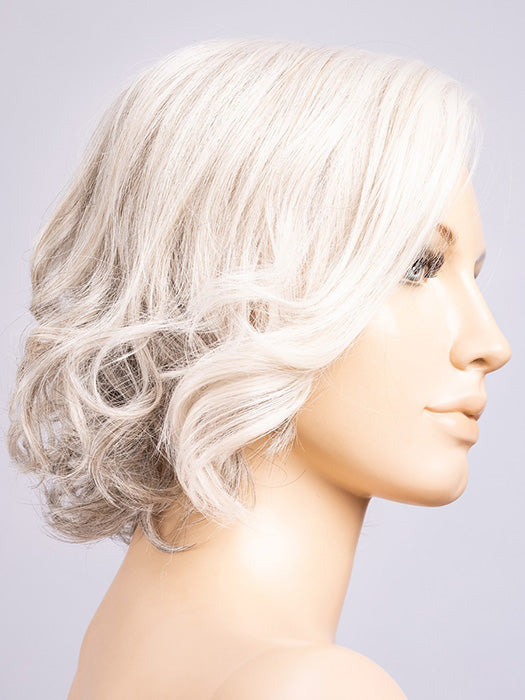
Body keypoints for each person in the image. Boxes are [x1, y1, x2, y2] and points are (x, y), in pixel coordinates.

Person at [7, 38, 511, 699]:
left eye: (472, 275)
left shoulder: (123, 641)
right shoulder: (313, 687)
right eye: (416, 267)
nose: (490, 343)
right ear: (237, 281)